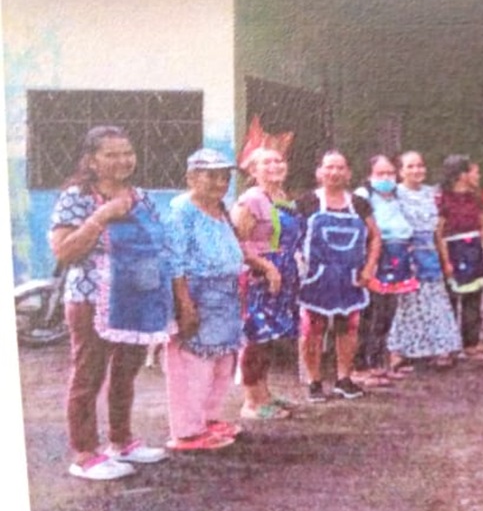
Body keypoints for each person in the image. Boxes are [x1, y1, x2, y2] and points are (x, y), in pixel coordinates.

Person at [50, 125, 170, 480]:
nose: (123, 160)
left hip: (135, 299)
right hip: (92, 298)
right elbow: (64, 251)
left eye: (127, 153)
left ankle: (121, 441)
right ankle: (85, 454)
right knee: (88, 375)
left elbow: (157, 243)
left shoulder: (141, 196)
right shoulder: (76, 197)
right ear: (92, 160)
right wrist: (103, 215)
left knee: (126, 372)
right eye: (111, 154)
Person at [163, 149, 244, 451]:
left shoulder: (220, 209)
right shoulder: (182, 212)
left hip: (225, 293)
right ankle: (187, 431)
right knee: (193, 364)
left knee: (221, 361)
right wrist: (185, 305)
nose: (220, 182)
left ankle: (207, 419)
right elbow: (175, 262)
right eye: (211, 176)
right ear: (191, 178)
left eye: (224, 176)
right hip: (198, 293)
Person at [296, 151, 381, 403]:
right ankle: (314, 382)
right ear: (319, 172)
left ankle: (344, 379)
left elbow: (375, 237)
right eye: (329, 167)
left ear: (349, 173)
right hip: (315, 278)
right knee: (312, 329)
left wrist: (368, 268)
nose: (334, 172)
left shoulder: (359, 204)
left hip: (350, 277)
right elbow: (292, 239)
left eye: (340, 167)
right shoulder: (306, 202)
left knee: (348, 328)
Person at [232, 147, 299, 421]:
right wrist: (267, 268)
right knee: (256, 337)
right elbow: (237, 243)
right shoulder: (251, 199)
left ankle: (264, 393)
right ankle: (251, 401)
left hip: (283, 273)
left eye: (279, 160)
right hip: (259, 276)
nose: (275, 166)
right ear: (253, 170)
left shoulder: (282, 198)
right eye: (267, 162)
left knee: (270, 337)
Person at [385, 151, 463, 368]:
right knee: (406, 304)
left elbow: (438, 231)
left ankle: (439, 348)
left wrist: (445, 260)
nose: (416, 170)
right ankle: (399, 350)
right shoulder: (394, 194)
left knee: (434, 302)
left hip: (429, 252)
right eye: (410, 166)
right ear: (400, 171)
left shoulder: (432, 194)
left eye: (420, 165)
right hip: (404, 253)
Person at [353, 155, 420, 387]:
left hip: (398, 257)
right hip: (376, 257)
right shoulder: (363, 196)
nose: (386, 178)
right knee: (371, 313)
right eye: (380, 174)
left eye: (390, 173)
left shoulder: (397, 195)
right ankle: (361, 365)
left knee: (388, 313)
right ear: (369, 175)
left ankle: (380, 363)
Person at [438, 154, 483, 357]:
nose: (478, 176)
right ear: (462, 175)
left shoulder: (476, 198)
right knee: (451, 298)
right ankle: (450, 344)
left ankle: (471, 342)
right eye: (474, 172)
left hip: (474, 250)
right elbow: (440, 232)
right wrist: (446, 261)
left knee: (473, 298)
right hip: (453, 250)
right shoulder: (443, 199)